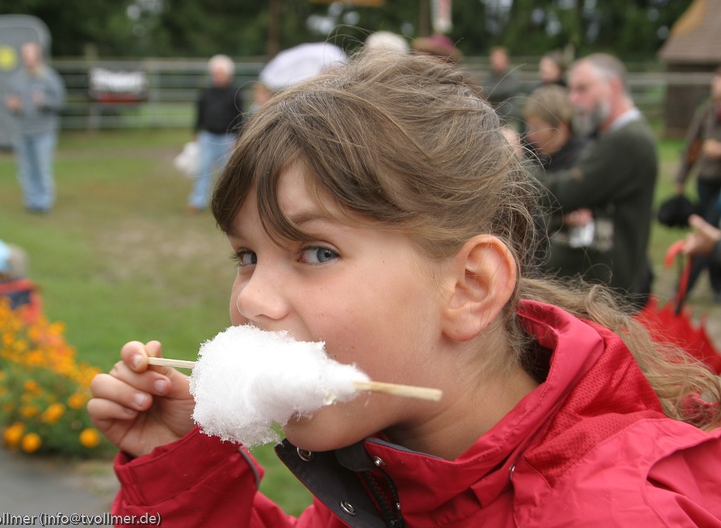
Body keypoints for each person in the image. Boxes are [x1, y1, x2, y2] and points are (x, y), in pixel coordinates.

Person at [88, 52, 721, 527]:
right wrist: (182, 476)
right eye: (247, 255)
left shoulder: (615, 513)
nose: (251, 299)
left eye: (316, 251)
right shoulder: (383, 472)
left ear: (469, 287)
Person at [535, 53, 658, 310]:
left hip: (609, 294)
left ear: (612, 87)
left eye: (582, 89)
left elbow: (563, 193)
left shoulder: (628, 140)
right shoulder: (615, 136)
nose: (573, 99)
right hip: (603, 288)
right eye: (571, 90)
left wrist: (515, 165)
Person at [523, 84, 592, 279]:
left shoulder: (585, 159)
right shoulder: (531, 149)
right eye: (528, 126)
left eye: (536, 128)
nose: (529, 134)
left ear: (560, 126)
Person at [675, 66, 721, 301]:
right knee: (709, 231)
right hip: (706, 180)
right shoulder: (706, 112)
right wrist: (681, 178)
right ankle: (714, 286)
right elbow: (692, 144)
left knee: (710, 229)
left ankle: (684, 287)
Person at [4, 42, 66, 214]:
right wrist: (12, 106)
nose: (28, 58)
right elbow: (11, 102)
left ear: (39, 56)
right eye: (25, 54)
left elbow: (61, 103)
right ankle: (31, 202)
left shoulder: (49, 78)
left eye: (31, 54)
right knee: (25, 170)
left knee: (42, 169)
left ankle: (44, 203)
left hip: (43, 132)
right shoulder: (16, 79)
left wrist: (44, 102)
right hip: (22, 131)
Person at [187, 54, 245, 213]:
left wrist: (238, 136)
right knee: (203, 169)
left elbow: (240, 116)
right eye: (215, 73)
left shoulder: (235, 93)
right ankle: (198, 201)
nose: (217, 76)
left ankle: (227, 203)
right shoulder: (206, 92)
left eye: (220, 72)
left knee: (227, 172)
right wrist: (197, 131)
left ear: (228, 74)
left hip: (228, 137)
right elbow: (200, 112)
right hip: (208, 135)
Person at [482, 46, 523, 130]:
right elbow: (485, 90)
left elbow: (509, 89)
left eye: (498, 58)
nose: (495, 62)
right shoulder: (491, 76)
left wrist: (492, 91)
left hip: (510, 117)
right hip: (494, 117)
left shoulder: (512, 74)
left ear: (505, 59)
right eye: (493, 59)